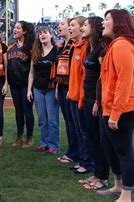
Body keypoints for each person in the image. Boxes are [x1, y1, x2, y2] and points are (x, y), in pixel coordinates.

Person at [96, 9, 134, 202]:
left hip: (124, 108)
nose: (103, 23)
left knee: (124, 151)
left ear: (117, 23)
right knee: (109, 146)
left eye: (107, 19)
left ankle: (126, 194)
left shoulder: (122, 46)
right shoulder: (114, 45)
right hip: (110, 106)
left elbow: (124, 83)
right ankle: (117, 186)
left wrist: (115, 114)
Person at [78, 16, 110, 189]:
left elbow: (103, 77)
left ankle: (103, 177)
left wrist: (98, 101)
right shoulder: (91, 48)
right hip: (88, 98)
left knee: (98, 140)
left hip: (96, 100)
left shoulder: (101, 49)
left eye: (85, 25)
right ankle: (97, 173)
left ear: (94, 28)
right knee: (91, 138)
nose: (82, 28)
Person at [27, 26, 60, 154]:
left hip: (51, 88)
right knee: (42, 119)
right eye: (40, 33)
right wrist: (29, 90)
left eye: (45, 33)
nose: (42, 35)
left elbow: (59, 72)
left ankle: (53, 145)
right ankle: (44, 143)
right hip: (38, 89)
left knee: (52, 120)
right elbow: (31, 73)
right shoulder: (36, 51)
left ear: (51, 35)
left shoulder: (57, 51)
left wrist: (57, 87)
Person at [67, 16, 93, 174]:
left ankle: (88, 163)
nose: (71, 28)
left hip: (81, 98)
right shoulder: (76, 46)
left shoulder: (85, 47)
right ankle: (82, 160)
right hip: (73, 96)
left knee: (85, 133)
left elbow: (85, 77)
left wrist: (81, 97)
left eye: (73, 25)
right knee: (78, 130)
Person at [7, 21, 36, 148]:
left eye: (18, 28)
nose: (14, 30)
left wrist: (30, 88)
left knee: (28, 112)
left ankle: (29, 138)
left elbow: (32, 70)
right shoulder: (11, 47)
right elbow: (8, 67)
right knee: (18, 112)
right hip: (14, 85)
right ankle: (20, 136)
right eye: (14, 27)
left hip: (26, 85)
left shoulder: (31, 48)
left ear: (24, 31)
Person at [55, 18, 79, 163]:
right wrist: (58, 86)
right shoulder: (63, 45)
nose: (60, 26)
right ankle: (72, 151)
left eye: (63, 24)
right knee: (69, 122)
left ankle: (75, 153)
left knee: (73, 123)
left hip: (72, 88)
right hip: (63, 87)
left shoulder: (74, 45)